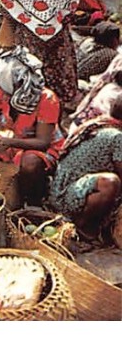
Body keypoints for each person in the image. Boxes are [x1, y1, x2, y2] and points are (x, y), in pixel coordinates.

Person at [0, 46, 64, 206]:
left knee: (30, 164)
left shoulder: (47, 99)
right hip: (12, 141)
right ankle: (5, 180)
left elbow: (43, 142)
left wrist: (10, 142)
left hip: (39, 149)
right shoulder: (4, 91)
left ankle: (34, 199)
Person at [48, 100, 122, 243]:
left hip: (65, 190)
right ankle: (80, 227)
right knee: (111, 183)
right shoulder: (117, 136)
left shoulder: (101, 124)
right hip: (66, 197)